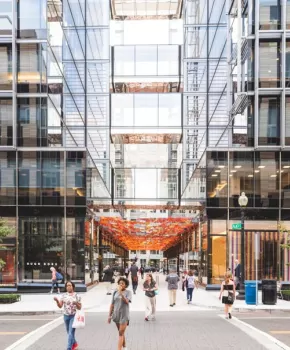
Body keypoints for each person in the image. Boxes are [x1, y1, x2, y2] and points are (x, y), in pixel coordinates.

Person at [54, 281, 82, 350]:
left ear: (73, 286)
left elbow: (80, 307)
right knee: (69, 332)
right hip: (66, 316)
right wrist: (57, 301)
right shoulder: (64, 295)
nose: (68, 287)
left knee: (70, 332)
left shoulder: (77, 295)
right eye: (67, 286)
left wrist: (76, 303)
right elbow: (60, 306)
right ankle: (75, 344)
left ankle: (69, 348)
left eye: (70, 285)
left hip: (74, 316)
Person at [108, 277, 132, 350]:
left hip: (124, 315)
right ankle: (124, 346)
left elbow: (127, 301)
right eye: (119, 283)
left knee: (121, 333)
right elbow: (112, 304)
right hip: (116, 314)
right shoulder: (115, 292)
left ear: (126, 285)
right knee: (120, 332)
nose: (121, 285)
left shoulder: (128, 292)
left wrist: (121, 293)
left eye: (123, 283)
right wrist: (109, 316)